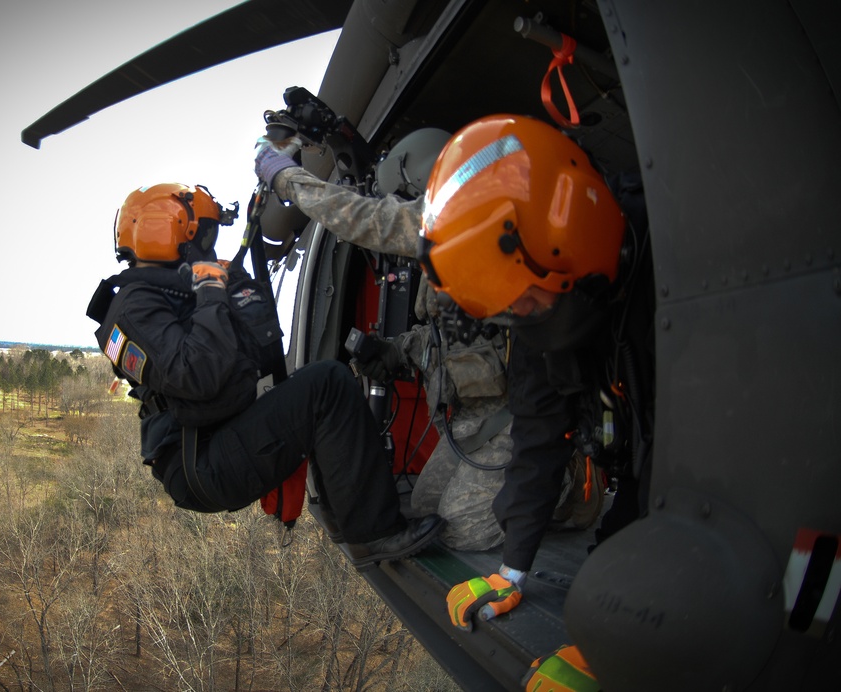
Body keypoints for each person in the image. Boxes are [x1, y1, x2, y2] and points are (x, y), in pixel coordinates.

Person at [254, 128, 605, 552]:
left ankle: (567, 482)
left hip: (513, 420)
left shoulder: (469, 227)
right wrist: (396, 349)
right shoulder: (445, 257)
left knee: (459, 531)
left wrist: (284, 176)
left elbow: (357, 217)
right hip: (466, 421)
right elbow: (448, 335)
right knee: (423, 513)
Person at [85, 182, 444, 571]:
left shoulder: (176, 292)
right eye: (204, 234)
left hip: (221, 436)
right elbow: (198, 376)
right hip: (198, 462)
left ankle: (351, 523)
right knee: (328, 385)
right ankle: (373, 535)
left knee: (321, 384)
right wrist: (209, 293)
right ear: (168, 232)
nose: (210, 246)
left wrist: (232, 289)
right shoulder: (132, 309)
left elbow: (259, 351)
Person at [414, 115, 652, 665]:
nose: (518, 314)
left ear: (570, 243)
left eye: (522, 299)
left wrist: (616, 641)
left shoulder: (671, 290)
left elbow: (689, 471)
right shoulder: (539, 317)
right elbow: (540, 432)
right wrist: (512, 569)